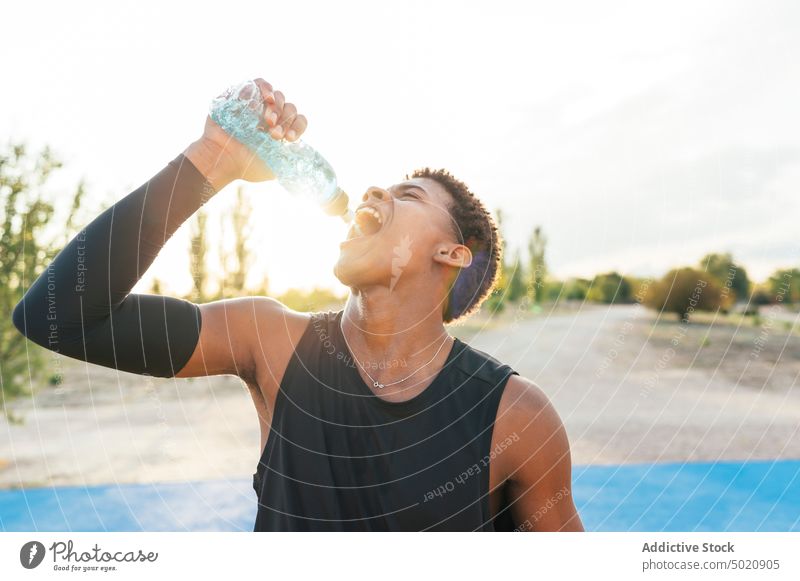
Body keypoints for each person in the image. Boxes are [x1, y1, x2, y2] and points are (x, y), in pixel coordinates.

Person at [13, 79, 584, 532]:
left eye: (407, 196)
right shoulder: (272, 341)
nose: (374, 194)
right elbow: (57, 314)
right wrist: (213, 158)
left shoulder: (516, 415)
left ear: (451, 253)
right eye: (379, 188)